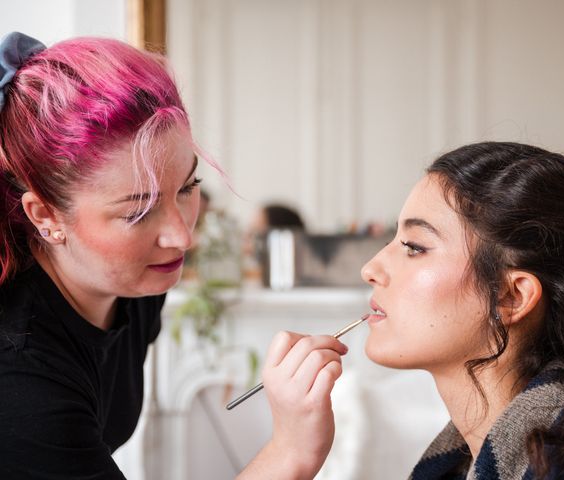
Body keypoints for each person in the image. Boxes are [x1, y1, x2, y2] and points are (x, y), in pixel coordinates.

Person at [0, 31, 345, 479]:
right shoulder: (19, 379)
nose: (182, 237)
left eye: (188, 188)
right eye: (139, 212)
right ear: (45, 215)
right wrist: (292, 449)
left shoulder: (137, 286)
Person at [354, 142, 564, 478]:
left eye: (414, 247)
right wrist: (293, 453)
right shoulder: (458, 464)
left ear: (511, 297)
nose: (370, 269)